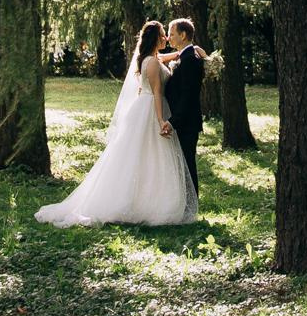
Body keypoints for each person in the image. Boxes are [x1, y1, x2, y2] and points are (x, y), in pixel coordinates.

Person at [34, 19, 197, 227]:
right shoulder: (153, 62)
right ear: (155, 39)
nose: (166, 37)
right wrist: (160, 120)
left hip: (142, 107)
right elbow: (157, 93)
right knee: (150, 154)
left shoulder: (149, 59)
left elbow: (164, 58)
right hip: (152, 109)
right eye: (163, 34)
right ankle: (147, 202)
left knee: (141, 154)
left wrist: (191, 51)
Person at [159, 17, 207, 198]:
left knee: (187, 164)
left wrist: (173, 122)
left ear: (183, 35)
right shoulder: (184, 56)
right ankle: (184, 201)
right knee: (181, 165)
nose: (168, 38)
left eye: (172, 34)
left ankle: (191, 203)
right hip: (182, 121)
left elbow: (188, 96)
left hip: (186, 122)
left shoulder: (190, 59)